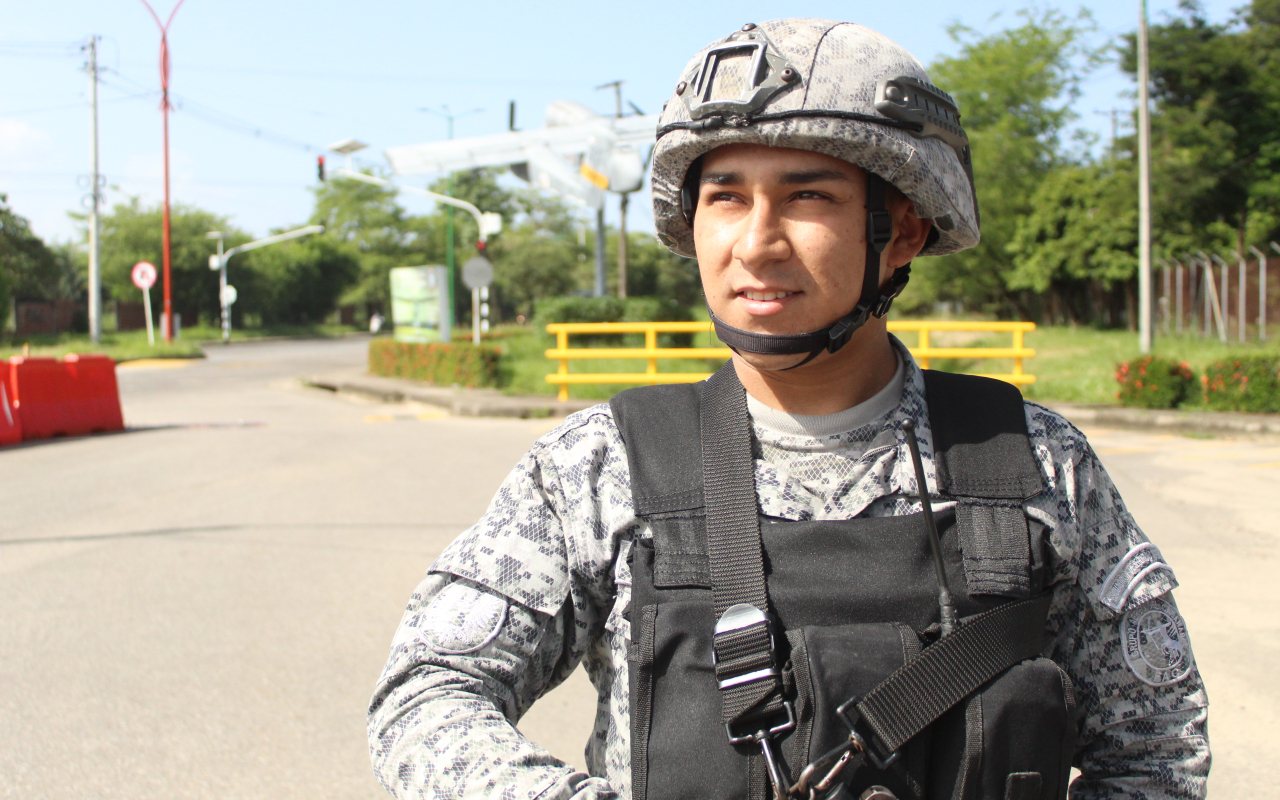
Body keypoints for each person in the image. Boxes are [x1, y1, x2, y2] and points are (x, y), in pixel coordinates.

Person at [368, 19, 1209, 800]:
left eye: (808, 197)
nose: (756, 242)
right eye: (726, 197)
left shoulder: (1033, 463)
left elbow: (1155, 747)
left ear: (904, 232)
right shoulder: (604, 466)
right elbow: (426, 694)